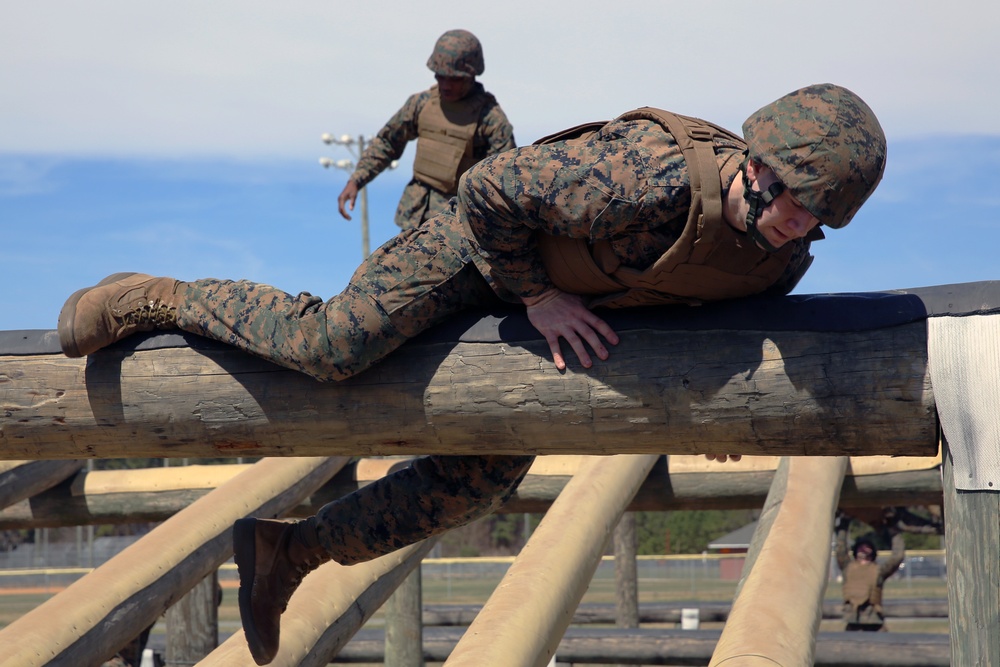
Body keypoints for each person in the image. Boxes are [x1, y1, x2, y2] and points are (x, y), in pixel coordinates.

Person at [57, 83, 887, 664]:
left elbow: (715, 328)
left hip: (557, 297)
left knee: (476, 478)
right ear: (762, 165)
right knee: (332, 346)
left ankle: (289, 553)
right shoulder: (650, 172)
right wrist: (540, 295)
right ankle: (155, 298)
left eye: (817, 216)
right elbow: (490, 190)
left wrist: (710, 420)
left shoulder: (778, 259)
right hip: (478, 246)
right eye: (795, 201)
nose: (797, 225)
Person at [336, 29, 516, 231]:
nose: (445, 85)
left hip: (458, 225)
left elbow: (502, 182)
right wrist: (356, 180)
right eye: (440, 77)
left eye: (454, 79)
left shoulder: (490, 118)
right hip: (415, 216)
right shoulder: (421, 104)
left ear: (471, 74)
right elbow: (387, 142)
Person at [834, 507, 944, 632]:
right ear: (856, 551)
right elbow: (840, 548)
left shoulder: (878, 570)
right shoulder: (848, 567)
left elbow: (897, 556)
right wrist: (844, 523)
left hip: (873, 620)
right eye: (861, 547)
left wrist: (893, 530)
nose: (864, 550)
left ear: (872, 552)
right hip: (852, 619)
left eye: (867, 547)